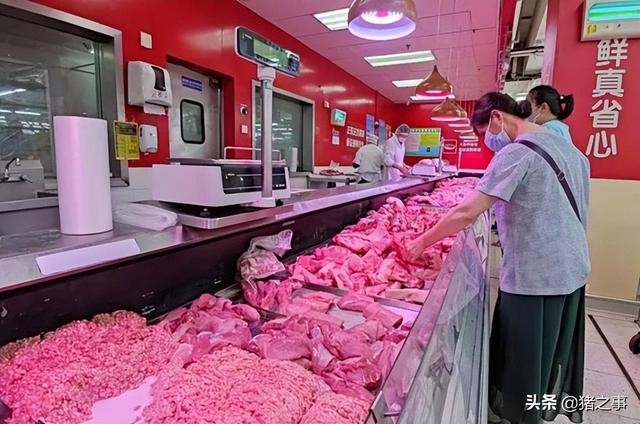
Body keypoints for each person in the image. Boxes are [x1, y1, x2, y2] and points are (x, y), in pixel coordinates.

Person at [404, 92, 590, 424]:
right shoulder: (574, 154)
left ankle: (521, 417)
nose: (488, 141)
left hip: (537, 275)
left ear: (496, 118)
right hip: (571, 268)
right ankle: (536, 409)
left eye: (484, 133)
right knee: (549, 357)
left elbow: (466, 212)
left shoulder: (518, 153)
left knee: (524, 360)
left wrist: (420, 243)